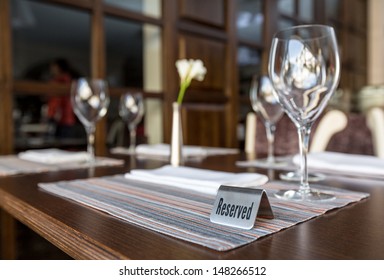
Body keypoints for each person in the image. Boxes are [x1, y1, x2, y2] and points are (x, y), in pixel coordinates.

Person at [47, 58, 79, 138]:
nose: (52, 69)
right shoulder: (67, 80)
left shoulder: (61, 81)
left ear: (59, 67)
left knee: (60, 143)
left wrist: (57, 112)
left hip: (61, 118)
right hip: (65, 118)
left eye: (54, 66)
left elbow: (59, 99)